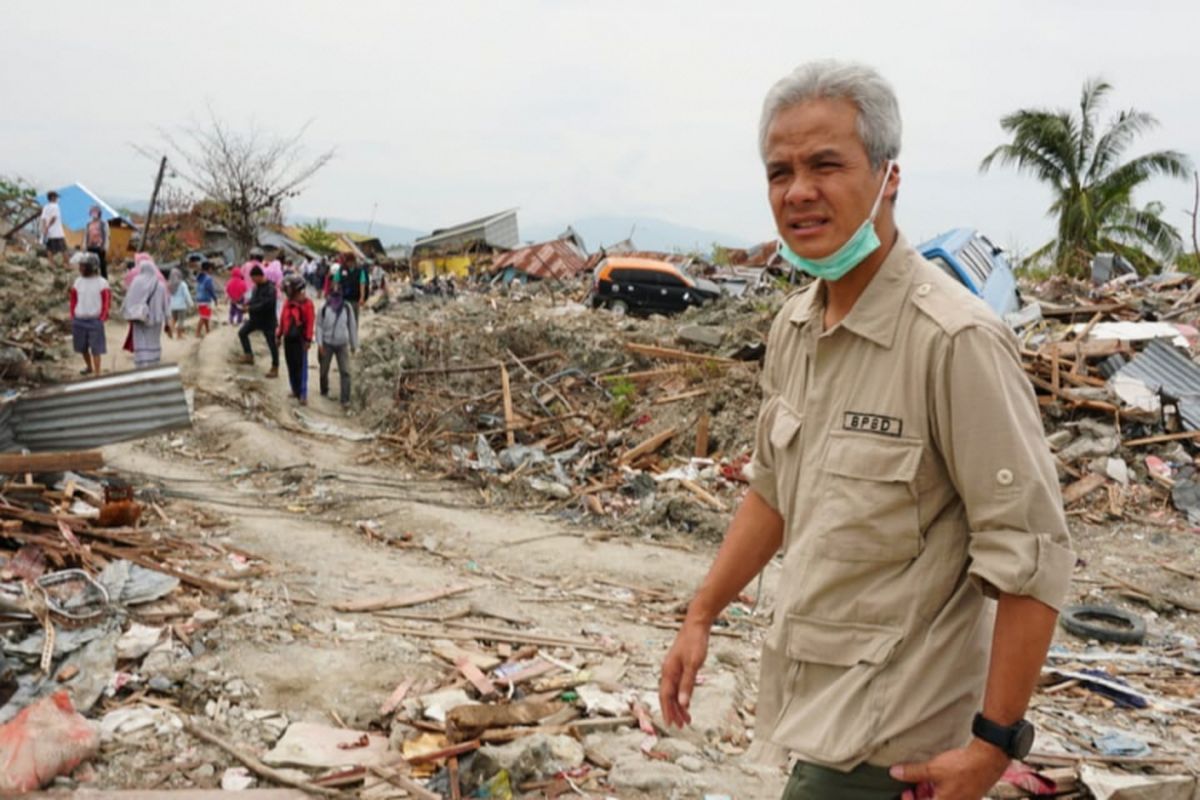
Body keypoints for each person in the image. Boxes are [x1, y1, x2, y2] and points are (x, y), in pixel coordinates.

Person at [657, 60, 1074, 800]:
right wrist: (701, 614)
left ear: (889, 176)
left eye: (826, 164)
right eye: (779, 171)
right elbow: (774, 490)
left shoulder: (953, 341)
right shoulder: (796, 325)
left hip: (899, 750)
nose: (798, 192)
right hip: (820, 707)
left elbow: (1032, 554)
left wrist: (992, 747)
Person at [121, 257, 170, 368]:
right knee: (153, 340)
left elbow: (128, 300)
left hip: (139, 317)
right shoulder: (160, 285)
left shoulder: (136, 283)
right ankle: (153, 362)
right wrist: (167, 322)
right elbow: (165, 305)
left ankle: (142, 363)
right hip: (156, 320)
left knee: (140, 340)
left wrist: (128, 313)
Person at [315, 286, 358, 408]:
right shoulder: (323, 308)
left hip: (342, 344)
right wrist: (319, 343)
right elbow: (319, 326)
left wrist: (354, 345)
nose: (335, 298)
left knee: (345, 371)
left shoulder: (347, 308)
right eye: (333, 295)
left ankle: (345, 399)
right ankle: (324, 390)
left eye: (337, 295)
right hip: (327, 343)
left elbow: (352, 326)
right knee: (323, 370)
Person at [69, 253, 110, 376]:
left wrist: (102, 317)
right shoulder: (78, 282)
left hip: (94, 320)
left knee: (96, 349)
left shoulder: (102, 283)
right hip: (79, 319)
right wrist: (72, 315)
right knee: (82, 347)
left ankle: (97, 373)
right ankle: (89, 367)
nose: (81, 269)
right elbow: (73, 300)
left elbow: (106, 301)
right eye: (80, 266)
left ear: (92, 267)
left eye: (84, 266)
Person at [277, 275, 315, 404]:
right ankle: (294, 389)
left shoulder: (308, 304)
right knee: (291, 365)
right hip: (288, 338)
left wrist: (308, 340)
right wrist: (279, 334)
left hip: (301, 340)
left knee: (301, 367)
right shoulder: (288, 303)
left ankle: (303, 394)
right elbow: (283, 319)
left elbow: (310, 323)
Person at [237, 265, 279, 378]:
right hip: (255, 319)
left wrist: (250, 308)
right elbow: (254, 299)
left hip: (268, 321)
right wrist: (247, 304)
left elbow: (266, 305)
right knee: (242, 333)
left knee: (271, 344)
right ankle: (248, 355)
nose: (252, 281)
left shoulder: (271, 289)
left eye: (253, 278)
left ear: (259, 276)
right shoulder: (256, 287)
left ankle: (275, 367)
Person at [40, 191, 66, 268]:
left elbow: (43, 218)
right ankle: (66, 263)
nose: (57, 199)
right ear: (53, 197)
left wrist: (45, 228)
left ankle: (51, 263)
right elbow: (54, 218)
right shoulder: (55, 206)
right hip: (57, 232)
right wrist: (48, 226)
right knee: (63, 249)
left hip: (49, 233)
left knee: (49, 248)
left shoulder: (46, 206)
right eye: (56, 197)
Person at [83, 205, 110, 280]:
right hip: (90, 246)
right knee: (90, 263)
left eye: (95, 212)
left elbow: (106, 235)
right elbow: (86, 235)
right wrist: (84, 246)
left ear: (99, 213)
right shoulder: (88, 223)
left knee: (101, 264)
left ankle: (104, 279)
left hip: (100, 247)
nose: (94, 215)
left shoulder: (104, 223)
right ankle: (90, 277)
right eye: (92, 212)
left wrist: (105, 247)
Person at [167, 266, 194, 338]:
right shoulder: (182, 284)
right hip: (181, 306)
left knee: (174, 319)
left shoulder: (169, 284)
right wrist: (190, 303)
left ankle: (170, 330)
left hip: (172, 305)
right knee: (181, 320)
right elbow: (186, 294)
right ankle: (179, 335)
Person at [194, 260, 218, 338]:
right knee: (204, 317)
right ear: (209, 268)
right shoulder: (208, 278)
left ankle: (207, 330)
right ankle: (197, 333)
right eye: (211, 268)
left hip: (198, 299)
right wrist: (215, 298)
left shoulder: (199, 277)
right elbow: (210, 289)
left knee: (204, 316)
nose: (212, 270)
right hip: (205, 299)